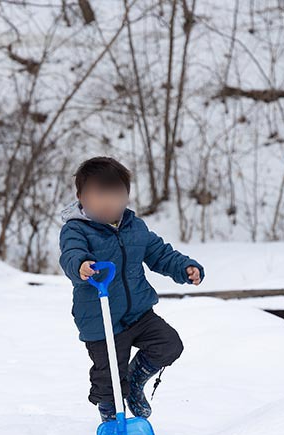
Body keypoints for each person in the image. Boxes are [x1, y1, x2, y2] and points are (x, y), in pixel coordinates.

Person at [58, 156, 205, 421]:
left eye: (115, 195)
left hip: (138, 312)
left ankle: (135, 382)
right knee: (108, 380)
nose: (108, 203)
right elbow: (71, 254)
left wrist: (184, 268)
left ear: (126, 196)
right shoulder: (76, 231)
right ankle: (112, 418)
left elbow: (159, 254)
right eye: (99, 195)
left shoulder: (134, 227)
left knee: (169, 344)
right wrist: (81, 265)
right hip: (101, 320)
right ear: (81, 197)